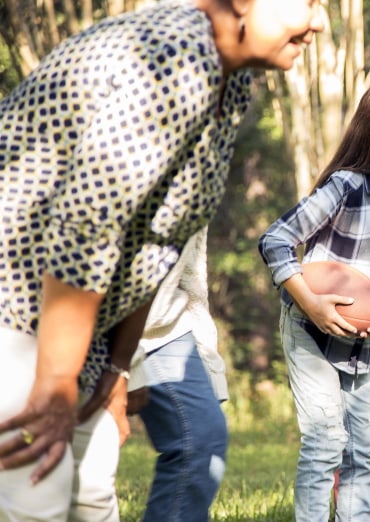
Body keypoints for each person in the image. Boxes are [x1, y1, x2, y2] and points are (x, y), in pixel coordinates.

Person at [0, 1, 324, 520]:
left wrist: (115, 365)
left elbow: (159, 238)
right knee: (36, 500)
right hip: (18, 308)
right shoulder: (173, 57)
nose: (319, 22)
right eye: (307, 2)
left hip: (81, 328)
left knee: (90, 499)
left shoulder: (229, 79)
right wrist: (58, 382)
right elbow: (87, 226)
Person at [259, 77, 370, 522]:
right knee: (324, 442)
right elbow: (276, 241)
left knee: (364, 448)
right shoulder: (346, 186)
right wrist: (309, 302)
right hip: (311, 332)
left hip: (367, 343)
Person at [125, 227, 228, 521]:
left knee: (204, 439)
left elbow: (190, 269)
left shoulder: (203, 183)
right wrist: (124, 363)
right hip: (100, 320)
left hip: (167, 326)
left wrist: (206, 350)